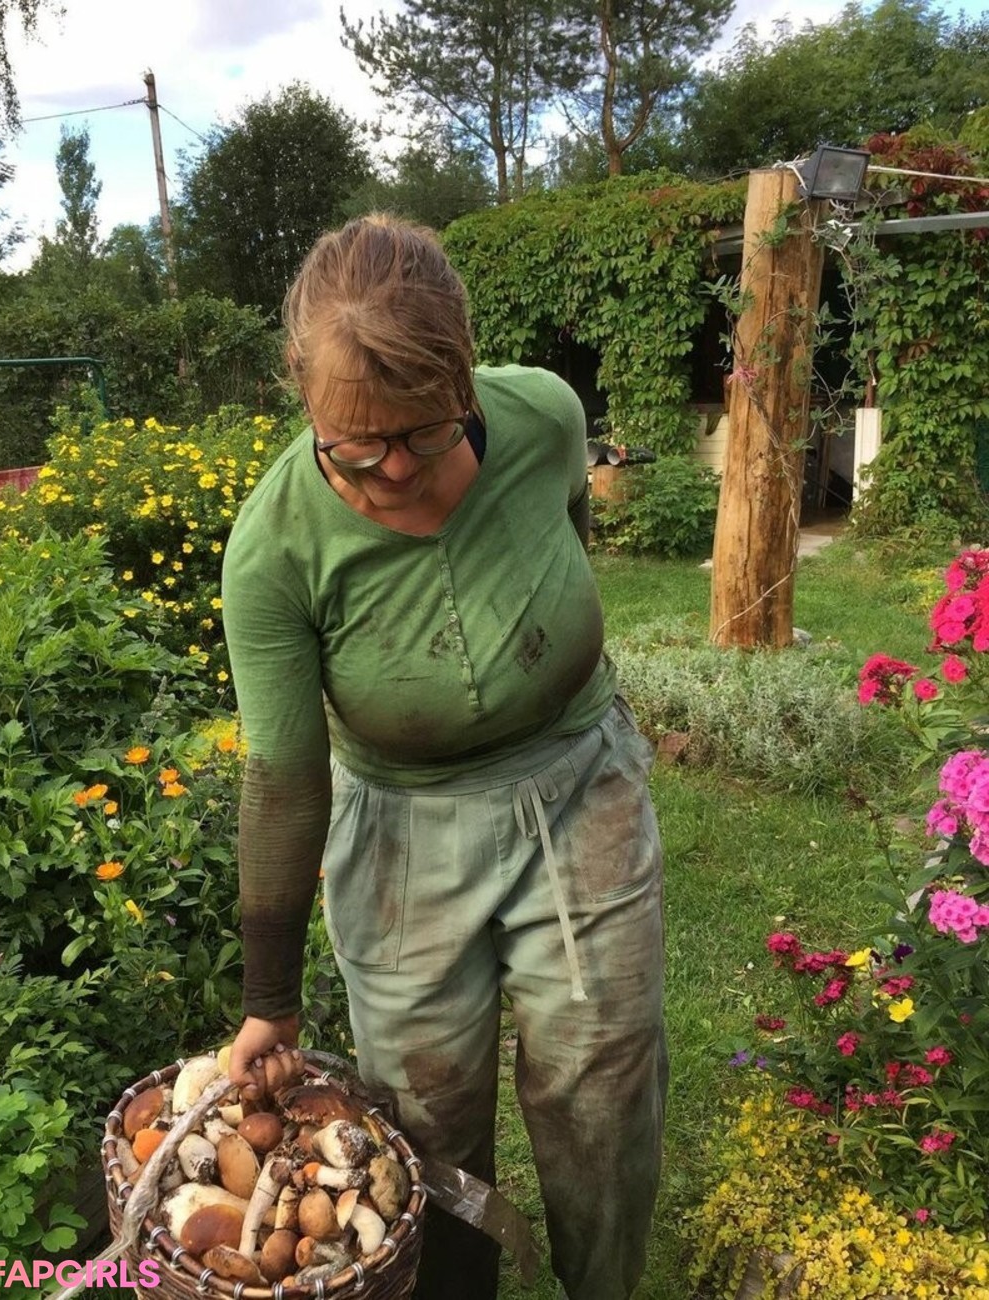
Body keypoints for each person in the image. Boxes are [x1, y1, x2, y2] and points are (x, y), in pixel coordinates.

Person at [222, 213, 666, 1300]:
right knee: (424, 1123)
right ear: (303, 397)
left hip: (578, 785)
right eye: (354, 444)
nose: (391, 469)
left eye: (423, 432)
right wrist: (271, 994)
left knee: (602, 1084)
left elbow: (562, 528)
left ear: (464, 374)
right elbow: (285, 775)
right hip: (404, 832)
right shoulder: (273, 551)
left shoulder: (544, 417)